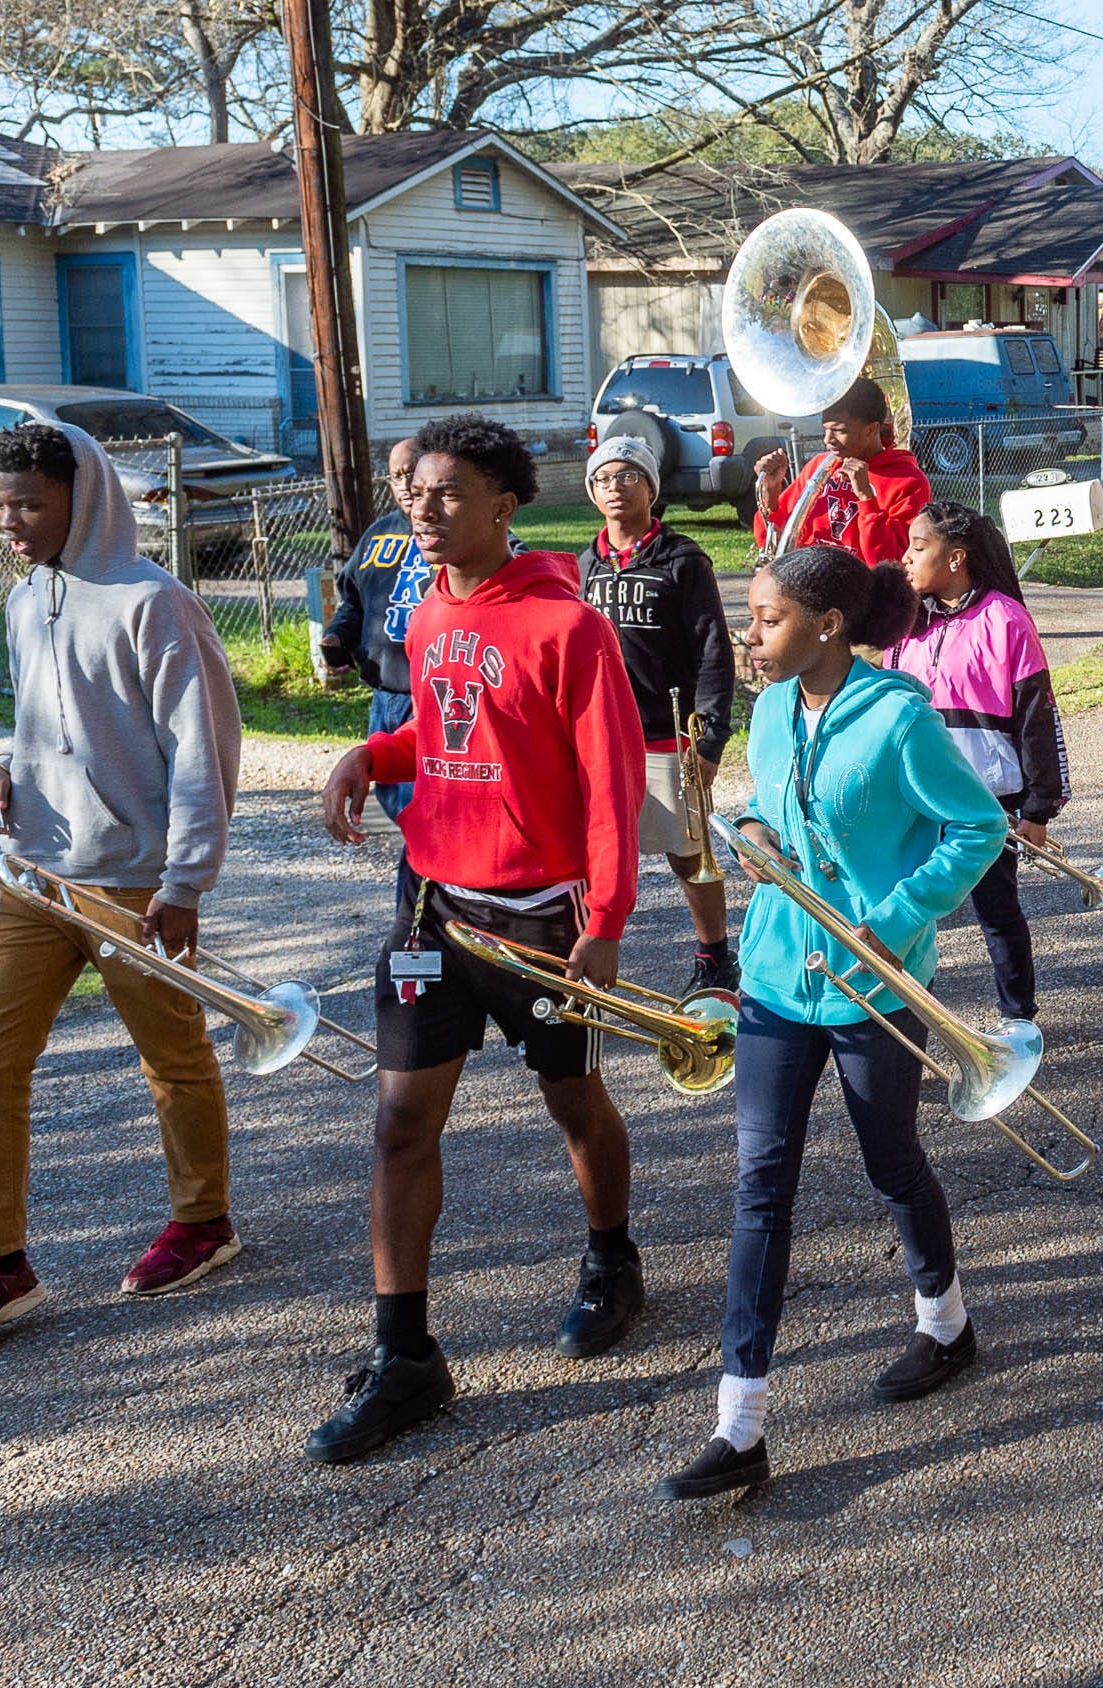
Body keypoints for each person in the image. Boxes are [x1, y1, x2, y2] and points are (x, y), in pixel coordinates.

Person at [308, 414, 648, 1464]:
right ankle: (405, 1351)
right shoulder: (428, 613)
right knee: (399, 1125)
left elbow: (613, 787)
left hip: (542, 922)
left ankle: (611, 1258)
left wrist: (604, 922)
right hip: (434, 911)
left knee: (573, 1101)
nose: (424, 505)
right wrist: (371, 751)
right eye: (419, 491)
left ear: (506, 506)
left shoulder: (569, 628)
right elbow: (450, 727)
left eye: (450, 492)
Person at [652, 545, 1005, 1501]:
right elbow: (769, 808)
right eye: (751, 617)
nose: (751, 636)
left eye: (767, 620)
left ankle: (945, 1324)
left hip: (873, 985)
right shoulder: (769, 709)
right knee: (761, 1184)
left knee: (892, 1162)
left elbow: (977, 828)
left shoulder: (898, 719)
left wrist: (891, 919)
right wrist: (756, 834)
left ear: (829, 625)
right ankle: (740, 1423)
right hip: (774, 976)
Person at [0, 421, 246, 1359]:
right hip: (29, 877)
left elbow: (203, 755)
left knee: (172, 1060)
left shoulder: (157, 605)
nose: (10, 523)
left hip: (134, 883)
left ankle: (203, 1220)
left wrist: (185, 883)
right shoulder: (29, 597)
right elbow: (38, 715)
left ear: (84, 498)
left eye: (28, 504)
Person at [883, 501, 1070, 1023]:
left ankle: (1018, 1018)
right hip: (917, 799)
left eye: (918, 548)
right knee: (910, 913)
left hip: (988, 800)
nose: (906, 558)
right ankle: (909, 1014)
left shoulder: (1006, 619)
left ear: (957, 557)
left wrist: (1038, 808)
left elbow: (1037, 718)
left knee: (997, 913)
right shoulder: (905, 623)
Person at [577, 433, 740, 993]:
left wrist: (711, 739)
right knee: (596, 848)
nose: (616, 487)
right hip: (601, 736)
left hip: (667, 735)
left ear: (650, 487)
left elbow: (714, 649)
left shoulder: (683, 559)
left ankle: (714, 953)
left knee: (686, 850)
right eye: (604, 478)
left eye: (629, 476)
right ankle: (588, 950)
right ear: (592, 492)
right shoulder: (584, 565)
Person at [320, 437, 429, 818]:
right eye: (394, 475)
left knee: (424, 801)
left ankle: (425, 872)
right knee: (393, 795)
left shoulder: (452, 535)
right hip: (384, 694)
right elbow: (354, 599)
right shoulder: (379, 534)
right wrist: (338, 637)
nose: (403, 484)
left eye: (410, 473)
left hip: (428, 696)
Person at [752, 375, 931, 566]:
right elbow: (773, 542)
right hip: (809, 580)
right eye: (826, 430)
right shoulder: (820, 466)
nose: (827, 440)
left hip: (863, 591)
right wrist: (771, 492)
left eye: (839, 430)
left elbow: (891, 563)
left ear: (871, 430)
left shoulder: (909, 482)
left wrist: (866, 498)